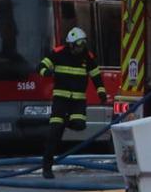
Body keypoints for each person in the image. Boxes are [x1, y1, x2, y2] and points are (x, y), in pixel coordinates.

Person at [38, 27, 108, 179]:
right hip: (60, 100)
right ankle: (47, 167)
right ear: (70, 44)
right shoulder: (58, 54)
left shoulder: (87, 57)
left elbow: (96, 76)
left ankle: (63, 124)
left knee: (79, 125)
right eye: (78, 44)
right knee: (54, 134)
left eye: (83, 44)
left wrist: (101, 92)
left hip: (77, 100)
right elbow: (41, 67)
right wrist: (47, 72)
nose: (81, 47)